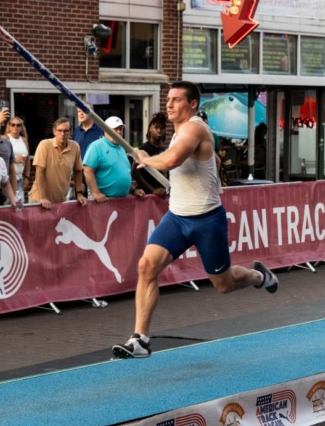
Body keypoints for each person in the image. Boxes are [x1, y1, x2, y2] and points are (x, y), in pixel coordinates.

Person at [112, 81, 278, 359]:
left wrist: (144, 157)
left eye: (176, 99)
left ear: (192, 105)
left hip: (206, 221)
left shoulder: (196, 128)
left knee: (223, 285)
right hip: (177, 218)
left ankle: (258, 276)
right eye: (168, 99)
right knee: (146, 266)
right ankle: (140, 340)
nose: (169, 104)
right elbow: (184, 159)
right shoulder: (179, 132)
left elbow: (172, 160)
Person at [28, 118, 88, 209]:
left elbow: (78, 171)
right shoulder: (45, 145)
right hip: (39, 200)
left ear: (70, 132)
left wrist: (79, 194)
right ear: (54, 131)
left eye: (66, 131)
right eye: (59, 130)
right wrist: (43, 197)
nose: (62, 134)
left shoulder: (75, 147)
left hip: (60, 201)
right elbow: (39, 172)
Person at [83, 116, 144, 202]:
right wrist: (96, 192)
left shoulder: (122, 148)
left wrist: (133, 190)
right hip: (102, 201)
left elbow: (122, 173)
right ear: (106, 130)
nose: (119, 132)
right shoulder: (96, 146)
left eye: (120, 129)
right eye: (115, 129)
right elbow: (87, 170)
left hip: (121, 202)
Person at [132, 112, 168, 197]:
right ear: (150, 129)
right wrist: (152, 190)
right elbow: (135, 172)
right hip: (145, 195)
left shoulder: (163, 150)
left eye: (162, 128)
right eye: (156, 128)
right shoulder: (143, 149)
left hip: (161, 194)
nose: (159, 130)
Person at [4, 116, 30, 199]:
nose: (15, 127)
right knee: (6, 204)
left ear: (21, 128)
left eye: (18, 125)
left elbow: (28, 160)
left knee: (19, 204)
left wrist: (27, 177)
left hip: (19, 178)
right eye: (13, 125)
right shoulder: (5, 138)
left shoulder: (24, 140)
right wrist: (15, 159)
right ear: (9, 126)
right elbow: (0, 158)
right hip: (7, 179)